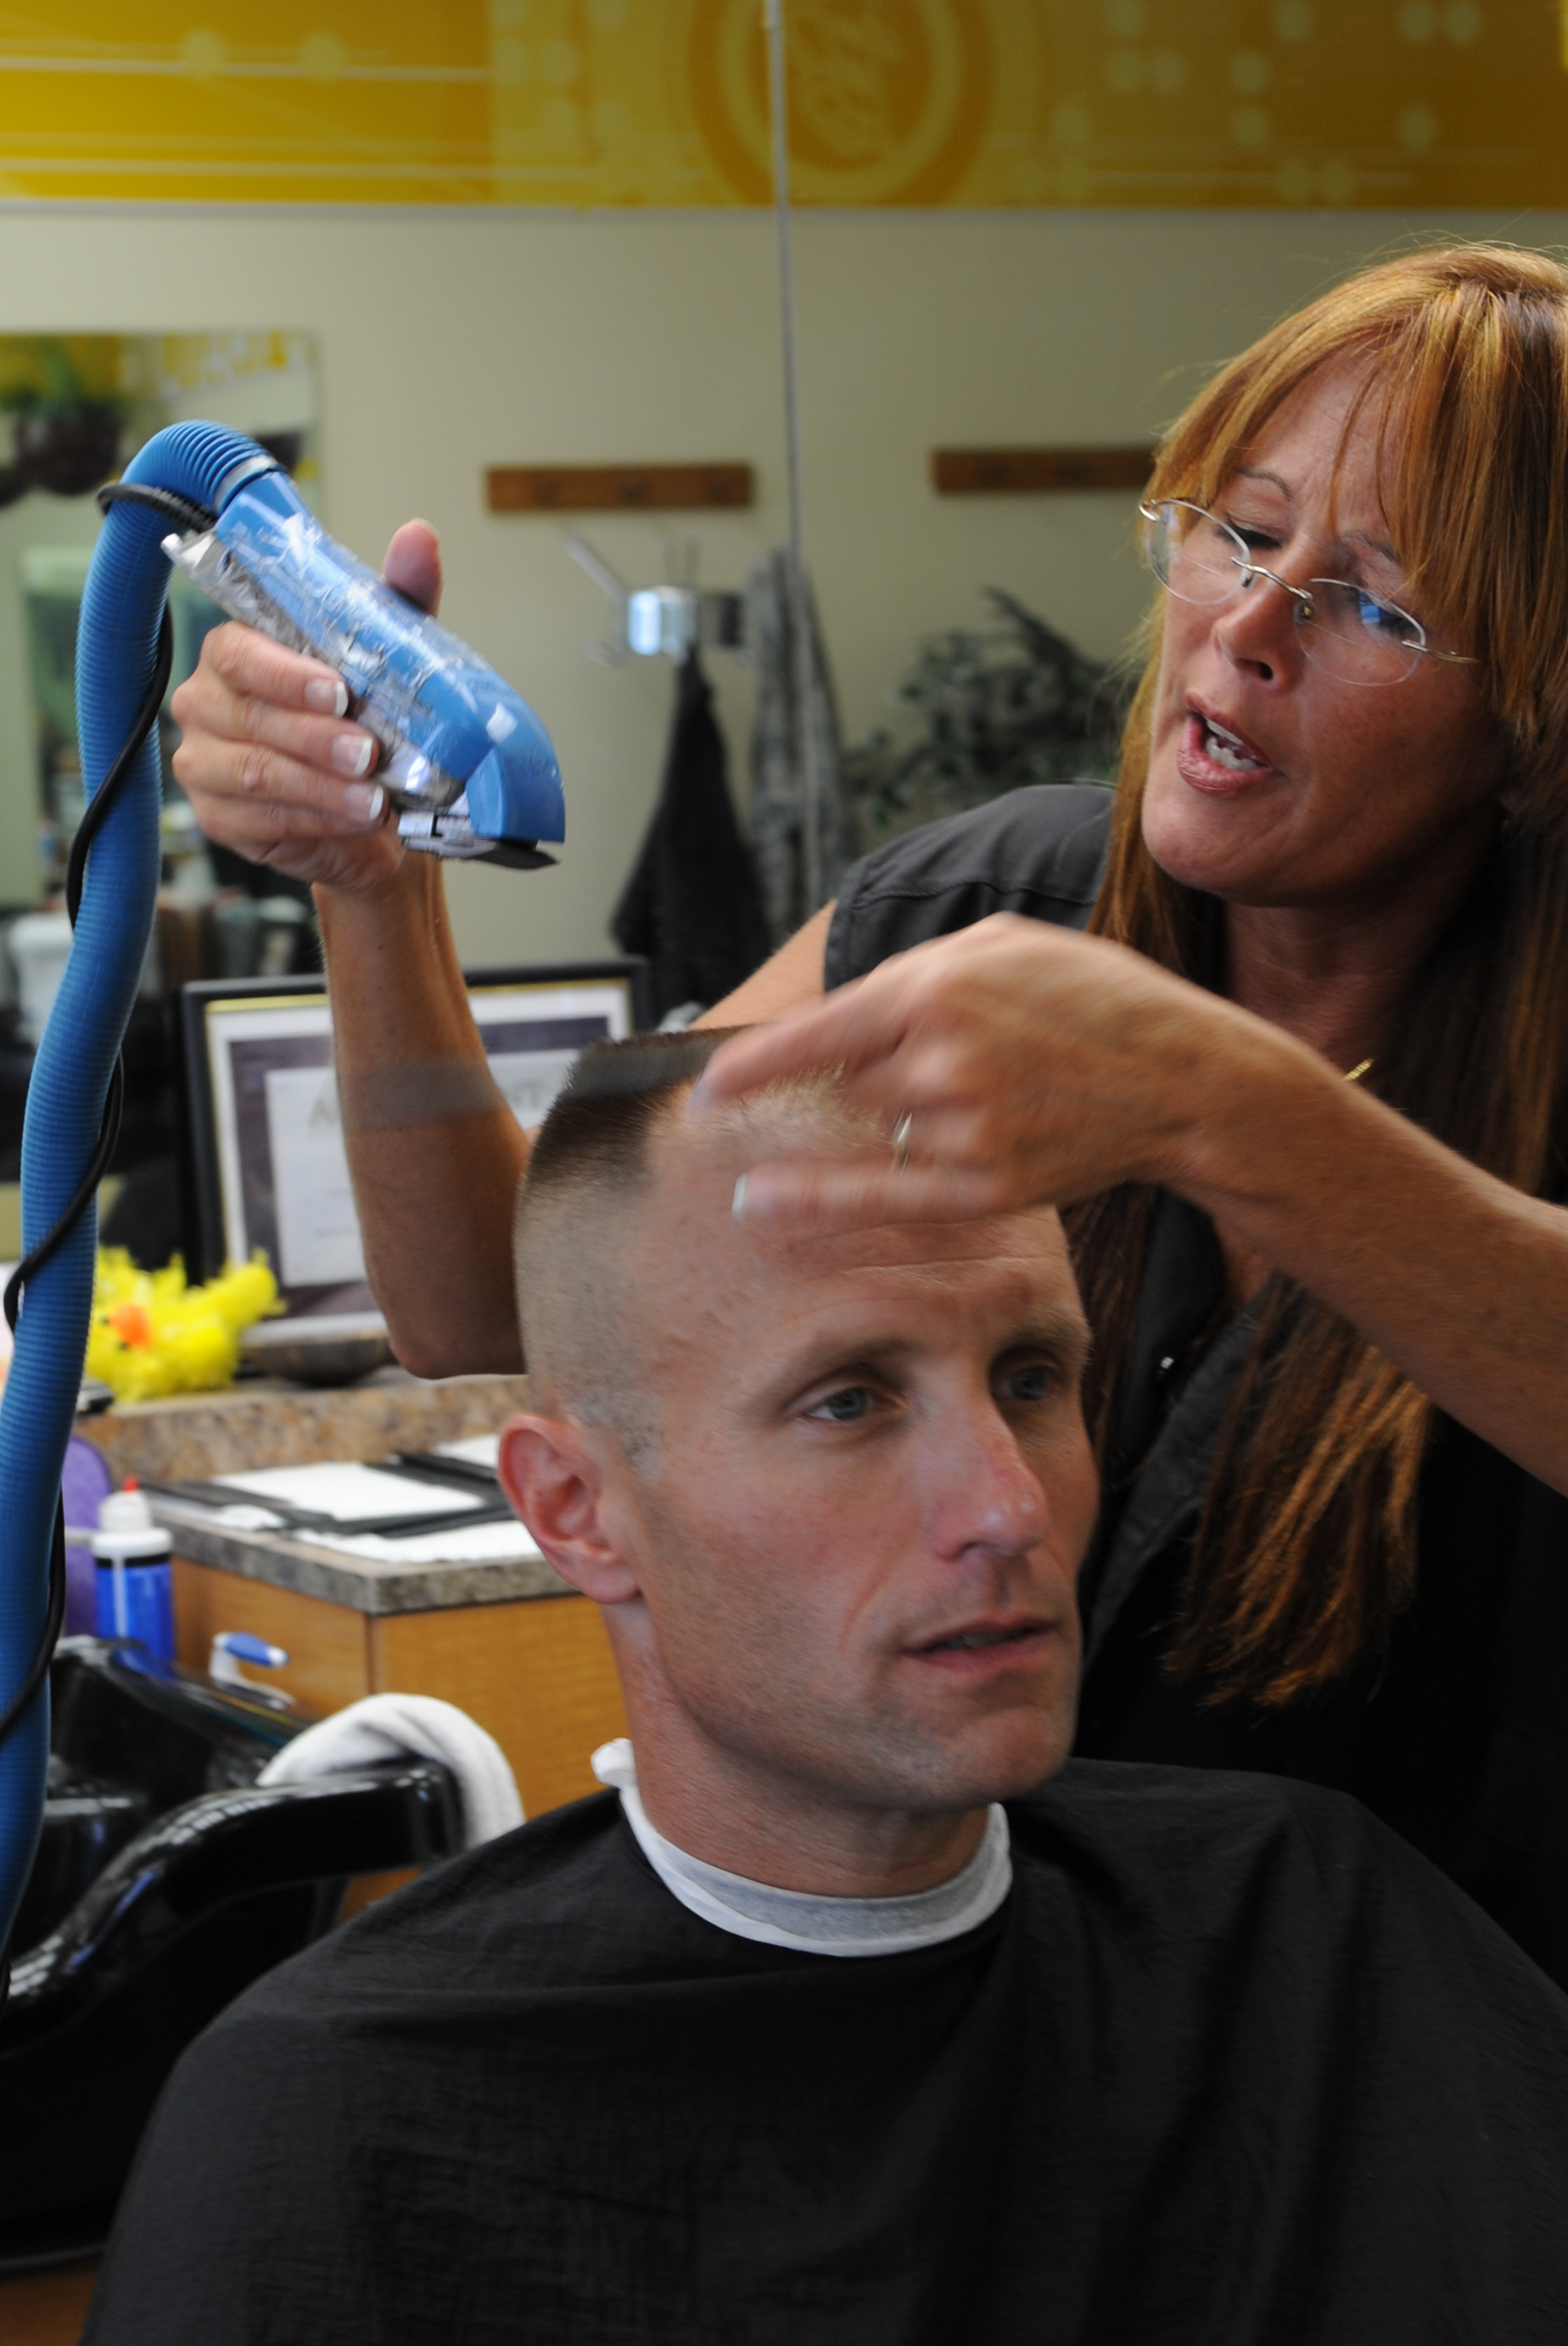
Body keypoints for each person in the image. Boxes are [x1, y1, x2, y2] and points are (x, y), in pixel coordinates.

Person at [171, 244, 1568, 1986]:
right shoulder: (990, 909)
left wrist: (1227, 1111)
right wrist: (376, 896)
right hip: (1027, 2033)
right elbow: (503, 1305)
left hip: (1444, 2087)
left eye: (1377, 602)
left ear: (1529, 728)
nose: (1252, 626)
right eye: (1243, 528)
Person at [84, 1036, 1568, 2346]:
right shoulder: (333, 2124)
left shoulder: (1316, 1947)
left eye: (1035, 1378)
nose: (1007, 1506)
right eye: (848, 1400)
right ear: (579, 1509)